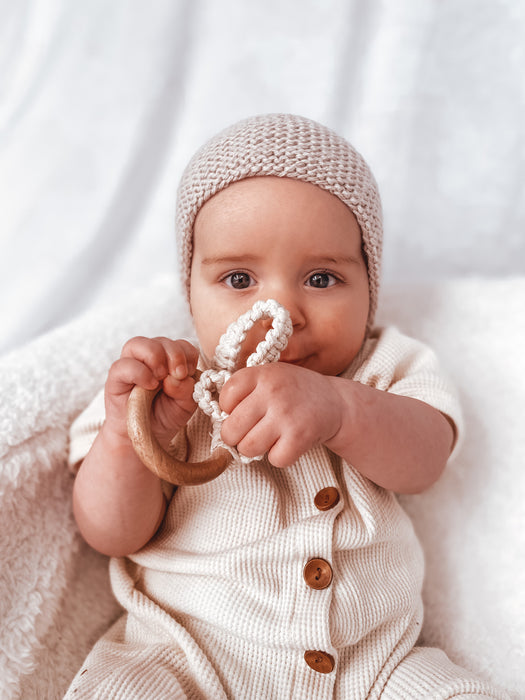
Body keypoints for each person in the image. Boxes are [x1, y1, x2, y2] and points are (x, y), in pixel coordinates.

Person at [65, 114, 508, 699]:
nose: (284, 309)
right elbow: (111, 533)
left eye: (322, 279)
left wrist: (343, 409)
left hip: (371, 668)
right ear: (191, 290)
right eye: (240, 278)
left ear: (369, 287)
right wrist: (130, 439)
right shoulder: (172, 385)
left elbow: (426, 458)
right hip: (188, 660)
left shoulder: (381, 369)